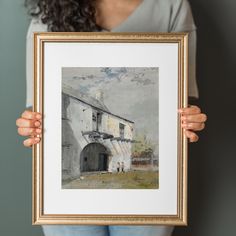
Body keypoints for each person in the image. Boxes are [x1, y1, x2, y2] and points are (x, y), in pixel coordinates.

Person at [16, 0, 207, 235]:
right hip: (64, 201)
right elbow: (38, 105)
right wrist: (30, 124)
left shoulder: (171, 5)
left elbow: (179, 96)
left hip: (150, 203)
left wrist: (189, 119)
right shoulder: (49, 9)